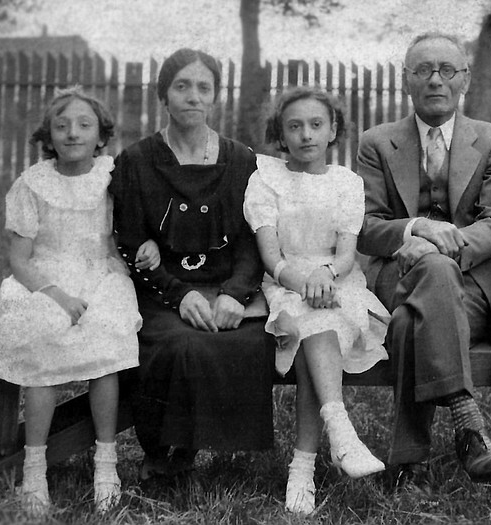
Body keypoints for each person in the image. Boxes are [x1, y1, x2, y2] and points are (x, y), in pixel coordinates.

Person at [0, 87, 147, 515]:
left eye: (84, 125)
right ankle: (34, 468)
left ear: (101, 134)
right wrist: (56, 295)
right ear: (48, 136)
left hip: (100, 275)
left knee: (105, 338)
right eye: (62, 125)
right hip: (44, 280)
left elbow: (131, 231)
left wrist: (148, 249)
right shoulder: (32, 183)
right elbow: (19, 260)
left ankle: (105, 463)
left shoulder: (113, 175)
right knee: (45, 333)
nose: (73, 133)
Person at [356, 32, 491, 485]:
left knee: (410, 324)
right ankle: (469, 427)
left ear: (464, 78)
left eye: (447, 70)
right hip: (396, 278)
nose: (435, 80)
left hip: (471, 290)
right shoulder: (377, 142)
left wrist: (440, 247)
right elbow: (365, 227)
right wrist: (416, 228)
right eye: (423, 70)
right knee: (426, 279)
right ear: (405, 79)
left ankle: (410, 463)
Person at [109, 48, 275, 482]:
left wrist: (237, 294)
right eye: (182, 86)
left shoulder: (241, 161)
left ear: (216, 96)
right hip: (162, 291)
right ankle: (163, 452)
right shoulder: (136, 161)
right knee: (178, 344)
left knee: (244, 341)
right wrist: (180, 295)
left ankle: (207, 449)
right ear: (164, 95)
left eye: (204, 87)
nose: (193, 96)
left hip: (226, 290)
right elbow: (128, 241)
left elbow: (251, 240)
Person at [244, 86, 390, 516]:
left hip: (337, 281)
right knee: (310, 320)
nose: (306, 134)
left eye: (316, 125)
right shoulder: (265, 179)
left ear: (333, 131)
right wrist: (303, 279)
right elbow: (271, 258)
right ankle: (338, 436)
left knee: (318, 326)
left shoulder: (347, 183)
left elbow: (346, 255)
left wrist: (325, 276)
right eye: (294, 126)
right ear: (281, 134)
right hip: (287, 281)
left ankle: (303, 467)